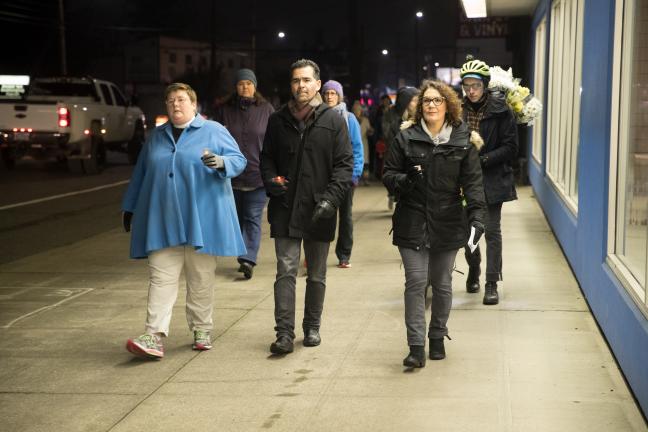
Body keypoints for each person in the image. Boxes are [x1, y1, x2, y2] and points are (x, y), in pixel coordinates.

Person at [122, 82, 247, 359]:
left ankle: (201, 329)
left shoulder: (213, 131)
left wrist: (221, 163)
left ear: (194, 104)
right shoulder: (156, 136)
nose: (175, 105)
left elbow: (239, 160)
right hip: (161, 220)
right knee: (160, 277)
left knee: (200, 278)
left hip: (201, 221)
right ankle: (153, 335)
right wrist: (130, 207)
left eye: (180, 99)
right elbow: (141, 174)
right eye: (170, 101)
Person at [383, 80, 486, 368]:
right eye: (426, 101)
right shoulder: (406, 138)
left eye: (437, 101)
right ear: (419, 107)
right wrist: (406, 180)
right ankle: (416, 346)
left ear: (448, 105)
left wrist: (478, 218)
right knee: (415, 282)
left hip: (449, 219)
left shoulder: (463, 140)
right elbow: (388, 175)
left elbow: (474, 185)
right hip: (412, 218)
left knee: (441, 284)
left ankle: (437, 335)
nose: (431, 105)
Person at [260, 59, 353, 355]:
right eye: (295, 81)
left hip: (319, 208)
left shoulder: (334, 120)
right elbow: (267, 159)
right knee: (285, 270)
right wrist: (270, 180)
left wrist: (330, 200)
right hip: (285, 206)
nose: (300, 86)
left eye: (305, 80)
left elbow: (344, 165)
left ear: (317, 84)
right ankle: (284, 334)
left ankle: (312, 327)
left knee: (316, 273)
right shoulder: (278, 120)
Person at [460, 56, 518, 305]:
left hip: (493, 177)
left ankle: (491, 282)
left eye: (476, 85)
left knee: (492, 231)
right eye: (466, 86)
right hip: (465, 180)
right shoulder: (457, 111)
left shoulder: (501, 110)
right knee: (468, 233)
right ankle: (474, 269)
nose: (471, 91)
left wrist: (483, 160)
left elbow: (511, 147)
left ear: (485, 85)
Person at [214, 68, 275, 279]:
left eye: (248, 83)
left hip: (258, 175)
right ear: (236, 87)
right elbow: (214, 137)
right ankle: (244, 252)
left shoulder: (267, 110)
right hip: (231, 177)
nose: (245, 87)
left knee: (253, 218)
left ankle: (248, 259)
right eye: (241, 84)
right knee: (238, 220)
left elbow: (275, 141)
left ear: (255, 86)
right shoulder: (224, 110)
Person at [321, 80, 364, 268]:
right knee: (322, 216)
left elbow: (357, 147)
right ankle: (317, 255)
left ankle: (344, 255)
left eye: (333, 93)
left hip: (345, 176)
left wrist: (355, 174)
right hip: (323, 177)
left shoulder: (349, 118)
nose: (330, 96)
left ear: (339, 96)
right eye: (327, 93)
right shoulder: (317, 116)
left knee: (345, 217)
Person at [382, 86, 420, 209]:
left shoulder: (420, 117)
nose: (417, 103)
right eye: (414, 100)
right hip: (397, 156)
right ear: (405, 102)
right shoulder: (392, 115)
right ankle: (393, 196)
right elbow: (386, 133)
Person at [351, 100, 374, 185]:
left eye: (358, 109)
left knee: (365, 161)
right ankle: (355, 179)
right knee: (354, 160)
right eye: (355, 109)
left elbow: (370, 131)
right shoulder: (350, 118)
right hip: (352, 143)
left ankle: (365, 179)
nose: (357, 110)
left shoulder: (365, 120)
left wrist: (370, 131)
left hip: (364, 142)